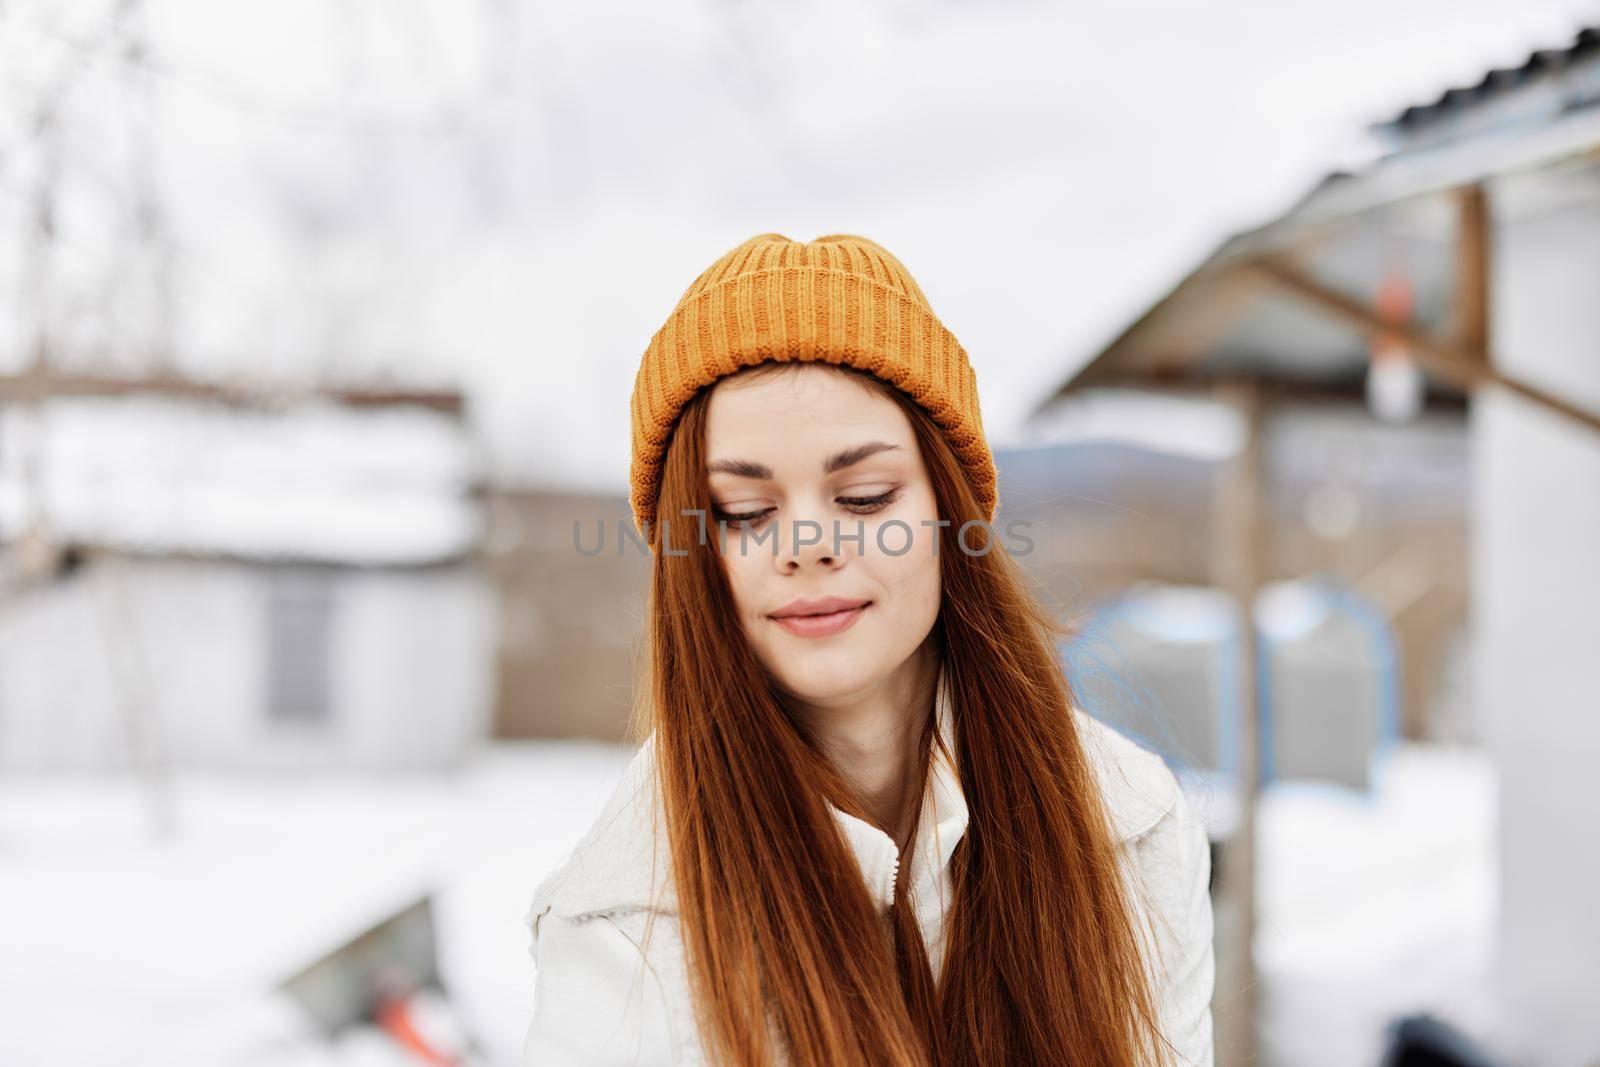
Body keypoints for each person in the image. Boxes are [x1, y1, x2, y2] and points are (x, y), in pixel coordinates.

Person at [522, 233, 1215, 1066]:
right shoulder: (624, 929)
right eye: (744, 511)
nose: (808, 543)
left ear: (946, 511)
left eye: (863, 496)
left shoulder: (1129, 828)